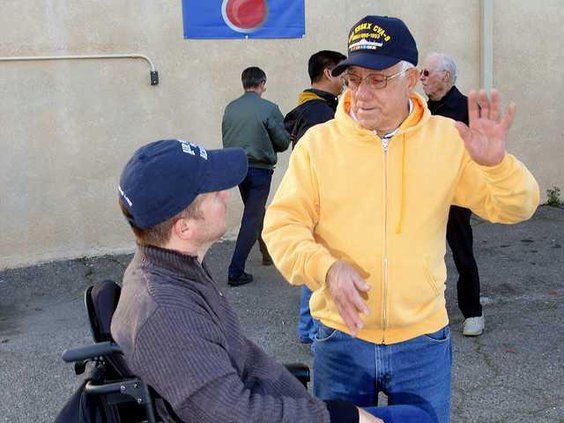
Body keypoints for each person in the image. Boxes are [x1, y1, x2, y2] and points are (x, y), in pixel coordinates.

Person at [263, 15, 539, 423]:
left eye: (379, 80)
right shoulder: (319, 146)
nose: (362, 94)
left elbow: (517, 206)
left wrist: (497, 166)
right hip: (341, 338)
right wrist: (325, 268)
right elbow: (282, 226)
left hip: (422, 340)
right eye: (354, 79)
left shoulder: (446, 139)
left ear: (411, 82)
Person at [111, 138, 432, 423]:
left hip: (278, 401)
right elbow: (231, 414)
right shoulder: (166, 313)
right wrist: (340, 416)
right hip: (270, 412)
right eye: (213, 192)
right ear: (183, 228)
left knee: (417, 415)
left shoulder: (173, 268)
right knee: (415, 418)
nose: (225, 194)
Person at [283, 49, 347, 345]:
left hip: (317, 198)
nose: (347, 81)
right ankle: (310, 331)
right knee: (318, 264)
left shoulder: (311, 107)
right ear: (328, 73)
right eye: (344, 73)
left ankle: (310, 328)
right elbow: (320, 161)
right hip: (323, 201)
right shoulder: (321, 112)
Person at [420, 52, 484, 336]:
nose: (421, 79)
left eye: (426, 73)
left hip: (456, 194)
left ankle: (473, 312)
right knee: (419, 252)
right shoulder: (421, 110)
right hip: (423, 191)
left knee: (461, 251)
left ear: (444, 77)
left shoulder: (468, 108)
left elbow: (481, 150)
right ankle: (423, 310)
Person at [222, 66, 290, 286]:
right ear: (262, 84)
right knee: (252, 217)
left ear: (244, 83)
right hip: (260, 169)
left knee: (255, 212)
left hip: (237, 168)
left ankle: (267, 253)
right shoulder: (268, 108)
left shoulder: (230, 108)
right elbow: (282, 141)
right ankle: (235, 271)